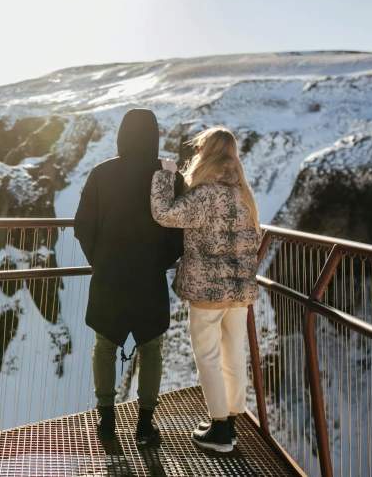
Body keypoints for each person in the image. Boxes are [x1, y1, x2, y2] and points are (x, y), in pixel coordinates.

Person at [75, 108, 184, 446]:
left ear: (122, 135)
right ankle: (145, 424)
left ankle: (106, 420)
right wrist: (159, 261)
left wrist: (101, 261)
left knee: (105, 344)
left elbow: (83, 226)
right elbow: (178, 234)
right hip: (149, 276)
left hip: (109, 274)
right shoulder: (168, 176)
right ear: (154, 136)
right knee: (151, 347)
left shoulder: (101, 173)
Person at [150, 127, 260, 453]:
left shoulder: (204, 194)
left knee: (208, 358)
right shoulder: (243, 194)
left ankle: (220, 430)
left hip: (208, 291)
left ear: (205, 152)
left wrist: (162, 175)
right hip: (239, 291)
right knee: (233, 355)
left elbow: (163, 214)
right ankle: (231, 419)